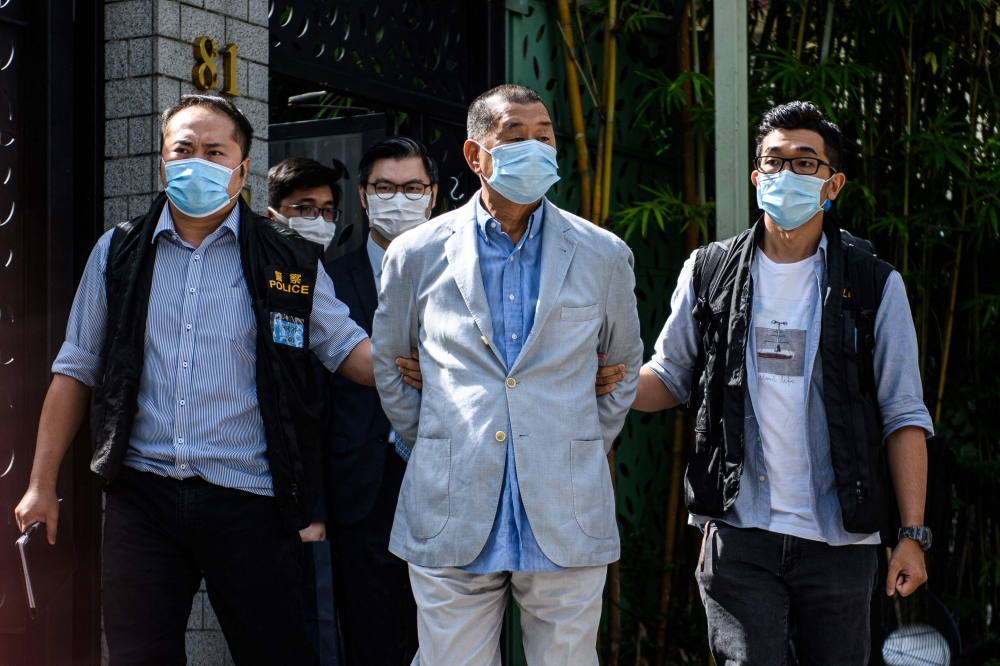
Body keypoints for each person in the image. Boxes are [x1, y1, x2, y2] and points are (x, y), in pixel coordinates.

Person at [14, 95, 376, 665]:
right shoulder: (119, 251)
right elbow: (76, 367)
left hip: (250, 499)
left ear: (242, 167)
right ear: (163, 159)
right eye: (184, 149)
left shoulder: (289, 259)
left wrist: (428, 362)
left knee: (277, 653)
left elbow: (347, 349)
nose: (197, 162)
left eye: (214, 151)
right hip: (144, 497)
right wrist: (41, 483)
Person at [631, 101, 932, 664]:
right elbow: (669, 377)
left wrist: (912, 533)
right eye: (774, 162)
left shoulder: (874, 284)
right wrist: (605, 378)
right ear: (755, 177)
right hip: (739, 532)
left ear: (833, 184)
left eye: (806, 163)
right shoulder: (709, 270)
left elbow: (903, 413)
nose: (787, 175)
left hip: (841, 538)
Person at [371, 84, 643, 665]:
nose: (534, 148)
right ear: (475, 156)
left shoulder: (603, 253)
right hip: (452, 497)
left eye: (544, 137)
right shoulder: (415, 252)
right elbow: (390, 366)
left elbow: (620, 370)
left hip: (564, 498)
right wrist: (443, 436)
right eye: (514, 137)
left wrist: (576, 437)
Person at [322, 136, 438, 665]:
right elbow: (313, 397)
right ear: (364, 197)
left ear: (433, 195)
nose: (400, 199)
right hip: (360, 488)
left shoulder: (464, 274)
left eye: (412, 188)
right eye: (385, 188)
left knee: (443, 638)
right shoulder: (328, 277)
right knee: (368, 641)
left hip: (444, 483)